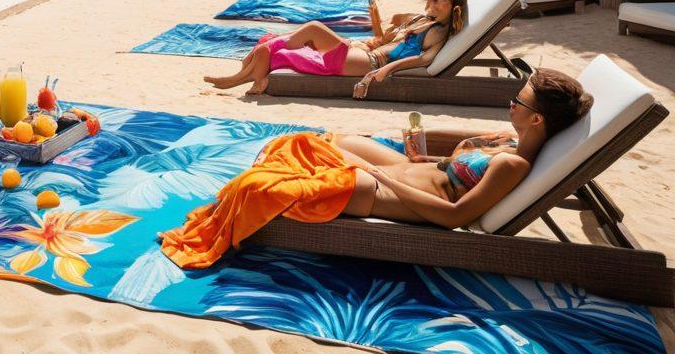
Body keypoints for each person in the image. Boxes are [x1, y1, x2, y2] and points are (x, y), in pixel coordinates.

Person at [161, 69, 593, 269]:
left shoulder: (513, 166)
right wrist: (418, 155)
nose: (510, 104)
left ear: (537, 119)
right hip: (403, 176)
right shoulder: (509, 142)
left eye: (517, 102)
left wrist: (385, 177)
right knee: (303, 144)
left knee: (259, 185)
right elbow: (448, 161)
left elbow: (455, 217)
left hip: (389, 195)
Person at [204, 0, 468, 96]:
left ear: (453, 4)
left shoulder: (438, 32)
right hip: (360, 53)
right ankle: (250, 80)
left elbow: (424, 59)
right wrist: (379, 24)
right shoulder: (423, 20)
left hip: (367, 64)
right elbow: (388, 31)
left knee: (313, 28)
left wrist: (387, 70)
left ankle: (240, 76)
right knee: (271, 47)